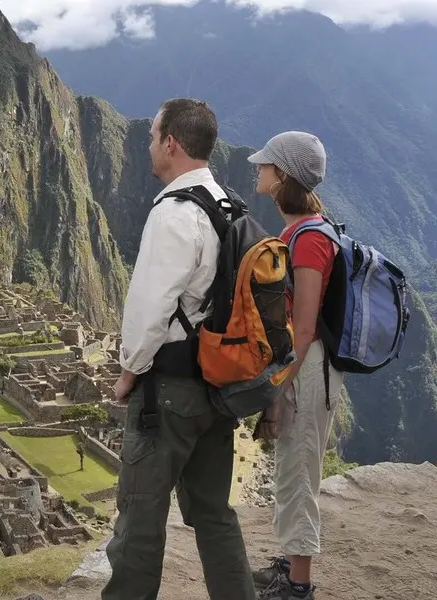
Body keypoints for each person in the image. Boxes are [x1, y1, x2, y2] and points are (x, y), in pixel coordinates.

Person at [102, 98, 255, 600]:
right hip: (217, 385)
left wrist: (129, 373)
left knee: (140, 518)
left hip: (168, 392)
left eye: (151, 137)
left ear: (171, 143)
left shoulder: (175, 212)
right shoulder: (229, 206)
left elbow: (149, 307)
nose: (148, 146)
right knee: (214, 513)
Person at [248, 131, 343, 600]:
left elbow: (302, 327)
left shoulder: (308, 241)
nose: (258, 170)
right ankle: (289, 565)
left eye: (265, 165)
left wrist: (277, 391)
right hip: (301, 363)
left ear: (282, 175)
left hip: (306, 367)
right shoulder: (303, 231)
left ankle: (298, 586)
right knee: (290, 464)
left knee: (300, 468)